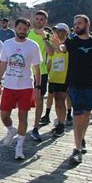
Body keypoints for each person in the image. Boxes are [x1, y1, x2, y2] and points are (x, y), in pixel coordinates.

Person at [49, 15, 92, 164]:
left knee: (86, 114)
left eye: (79, 23)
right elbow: (62, 49)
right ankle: (77, 150)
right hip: (74, 85)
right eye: (74, 24)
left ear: (87, 24)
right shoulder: (72, 41)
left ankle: (81, 138)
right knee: (78, 115)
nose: (76, 26)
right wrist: (57, 45)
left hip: (90, 85)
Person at [0, 18, 42, 160]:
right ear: (15, 28)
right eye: (20, 28)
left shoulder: (33, 46)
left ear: (28, 30)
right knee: (4, 115)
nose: (22, 31)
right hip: (9, 85)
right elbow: (3, 64)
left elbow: (36, 68)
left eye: (25, 29)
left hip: (25, 86)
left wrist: (38, 86)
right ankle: (11, 130)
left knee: (23, 116)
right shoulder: (7, 44)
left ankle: (19, 147)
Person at [44, 23, 70, 137]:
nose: (56, 33)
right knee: (56, 100)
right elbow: (50, 60)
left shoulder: (68, 44)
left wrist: (57, 44)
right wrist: (46, 74)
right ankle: (59, 122)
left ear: (65, 32)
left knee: (61, 100)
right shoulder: (53, 44)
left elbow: (61, 50)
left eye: (59, 31)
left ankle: (61, 124)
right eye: (55, 31)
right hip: (54, 77)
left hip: (64, 77)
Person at [27, 10, 50, 141]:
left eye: (42, 19)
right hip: (26, 72)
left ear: (45, 21)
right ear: (33, 19)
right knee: (24, 100)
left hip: (41, 72)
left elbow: (51, 53)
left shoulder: (48, 36)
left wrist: (45, 38)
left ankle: (35, 128)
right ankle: (21, 128)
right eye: (37, 19)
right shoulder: (28, 33)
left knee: (39, 99)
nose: (39, 21)